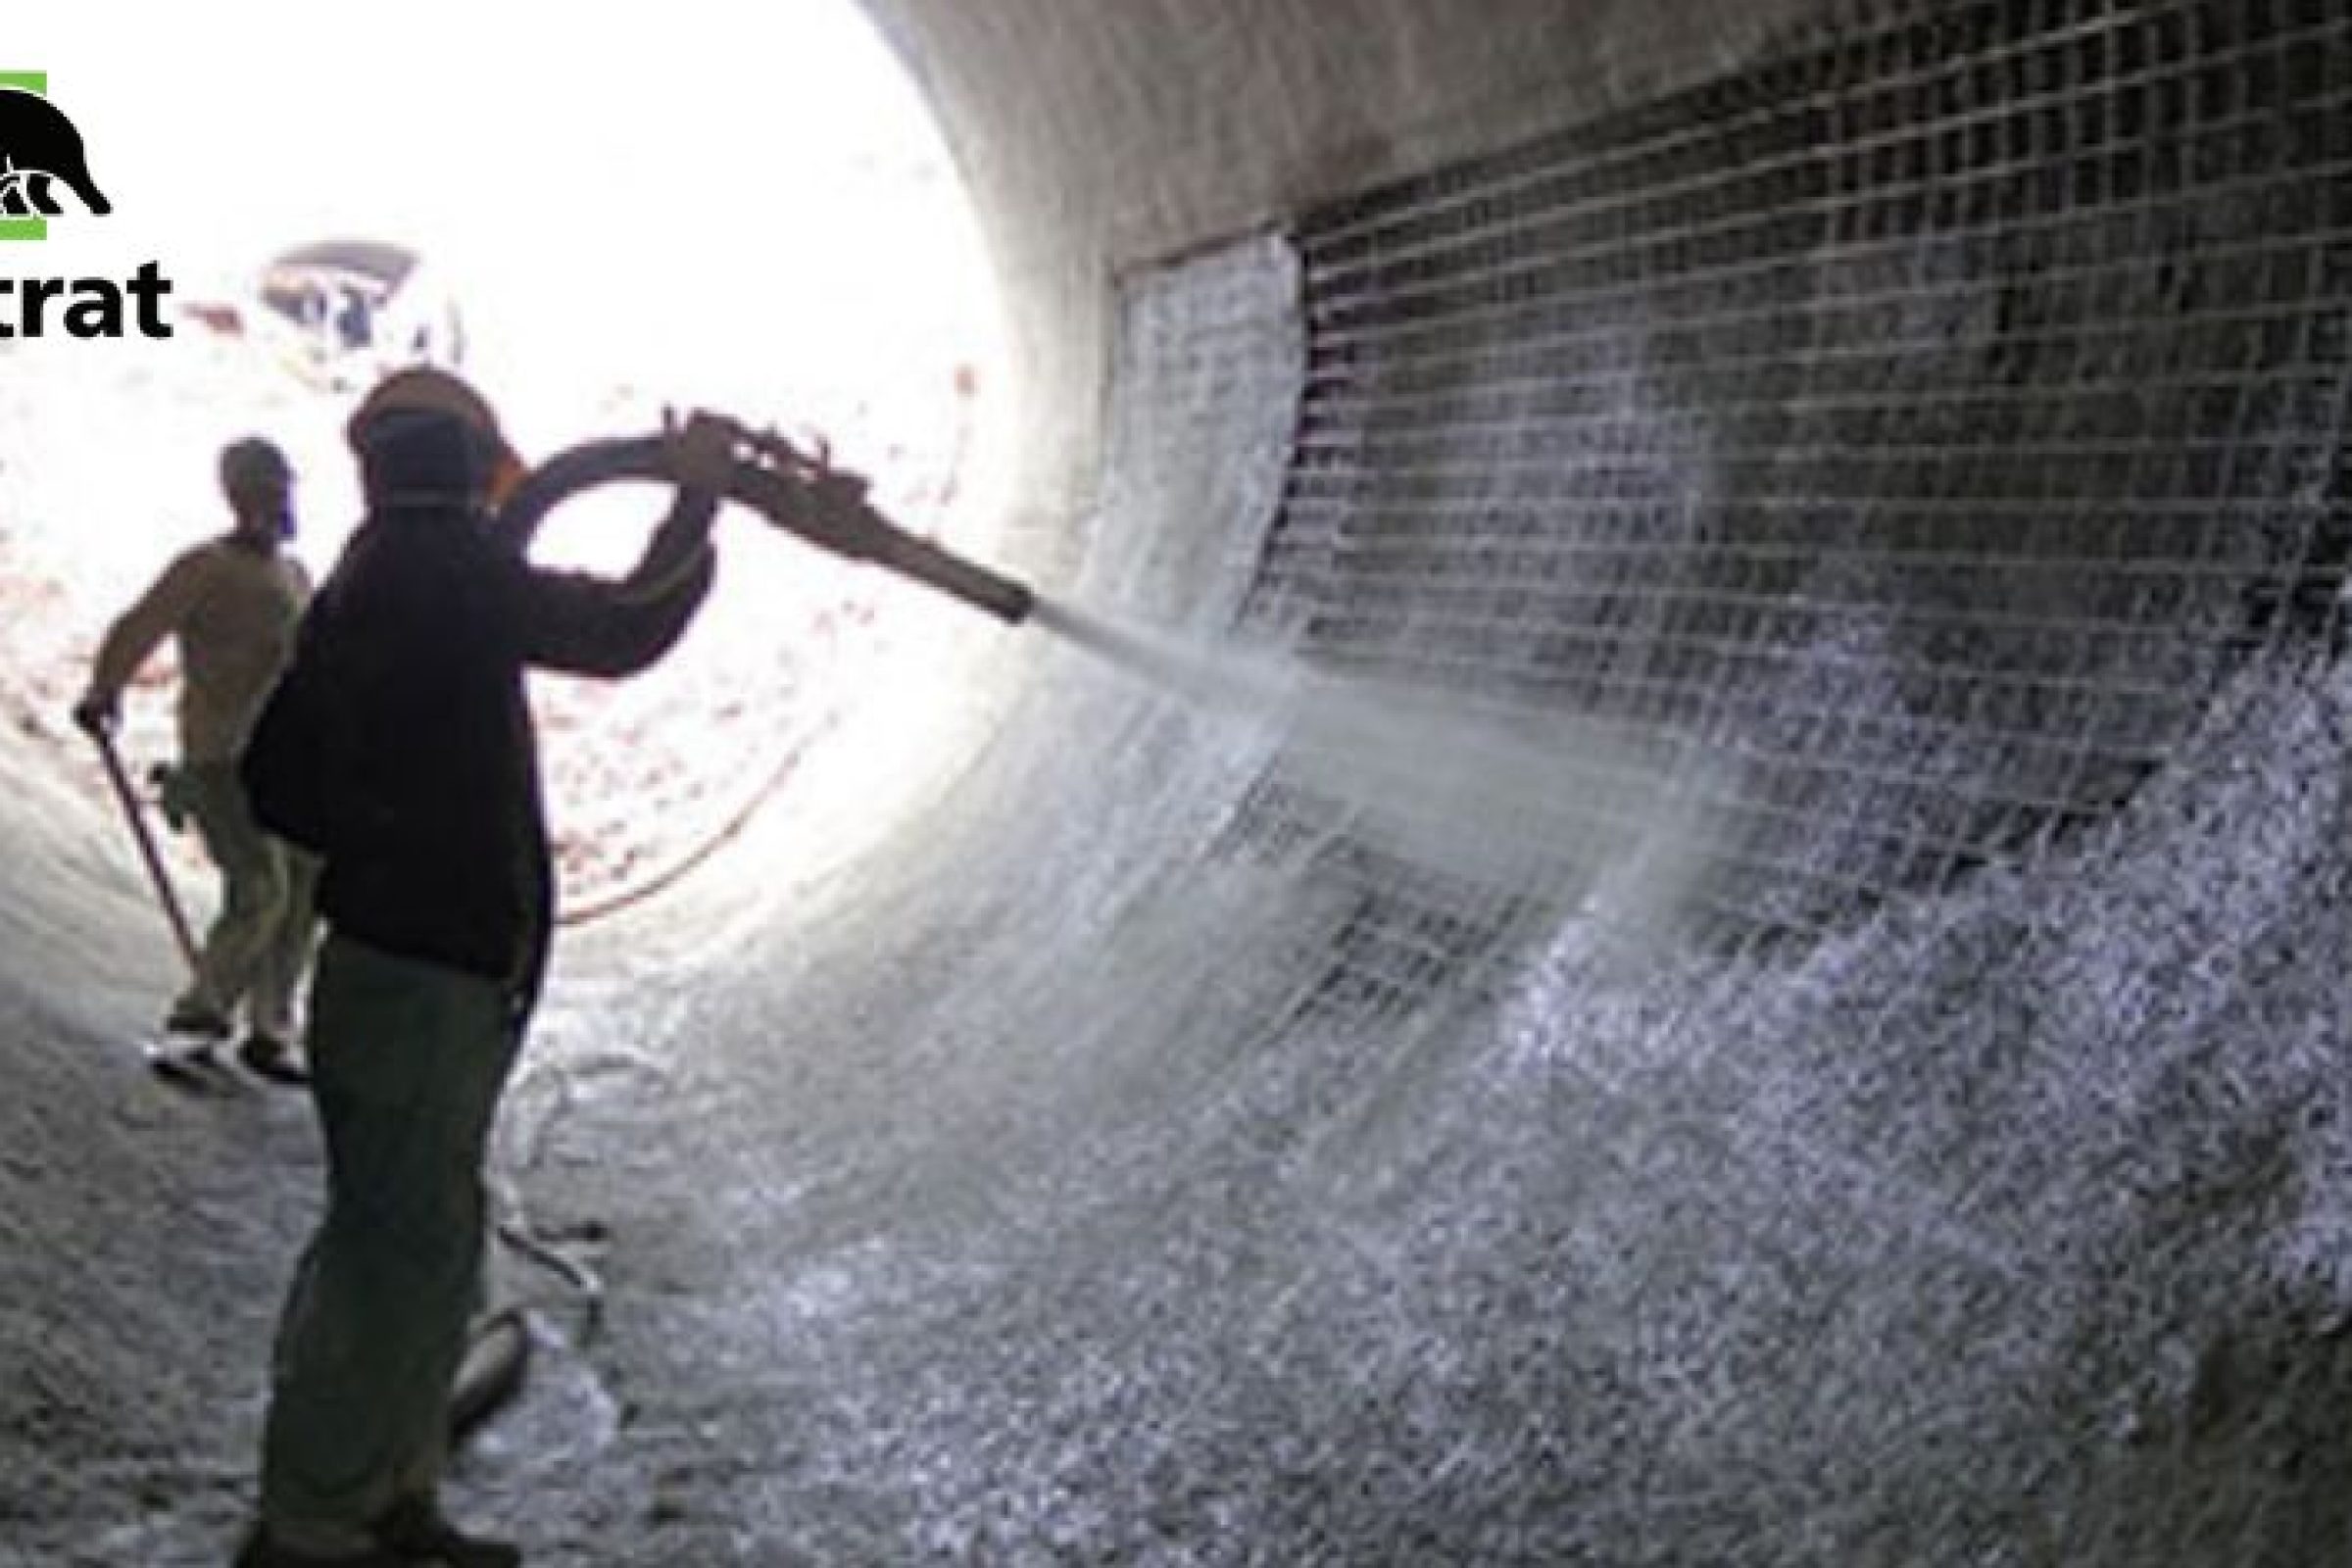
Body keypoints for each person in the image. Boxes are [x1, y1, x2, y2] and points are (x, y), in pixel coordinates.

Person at [229, 367, 740, 1568]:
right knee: (385, 1257)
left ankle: (389, 1500)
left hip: (402, 964)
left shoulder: (374, 576)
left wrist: (382, 821)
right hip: (421, 974)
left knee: (420, 1250)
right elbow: (618, 629)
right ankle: (310, 1526)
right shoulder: (434, 571)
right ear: (458, 465)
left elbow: (279, 782)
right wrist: (696, 510)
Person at [75, 436, 317, 1083]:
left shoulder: (295, 576)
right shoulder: (205, 568)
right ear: (237, 495)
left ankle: (271, 1028)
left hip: (289, 760)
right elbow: (140, 625)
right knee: (261, 888)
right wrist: (106, 688)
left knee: (303, 894)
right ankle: (197, 1022)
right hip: (222, 756)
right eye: (260, 487)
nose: (274, 499)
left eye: (280, 485)